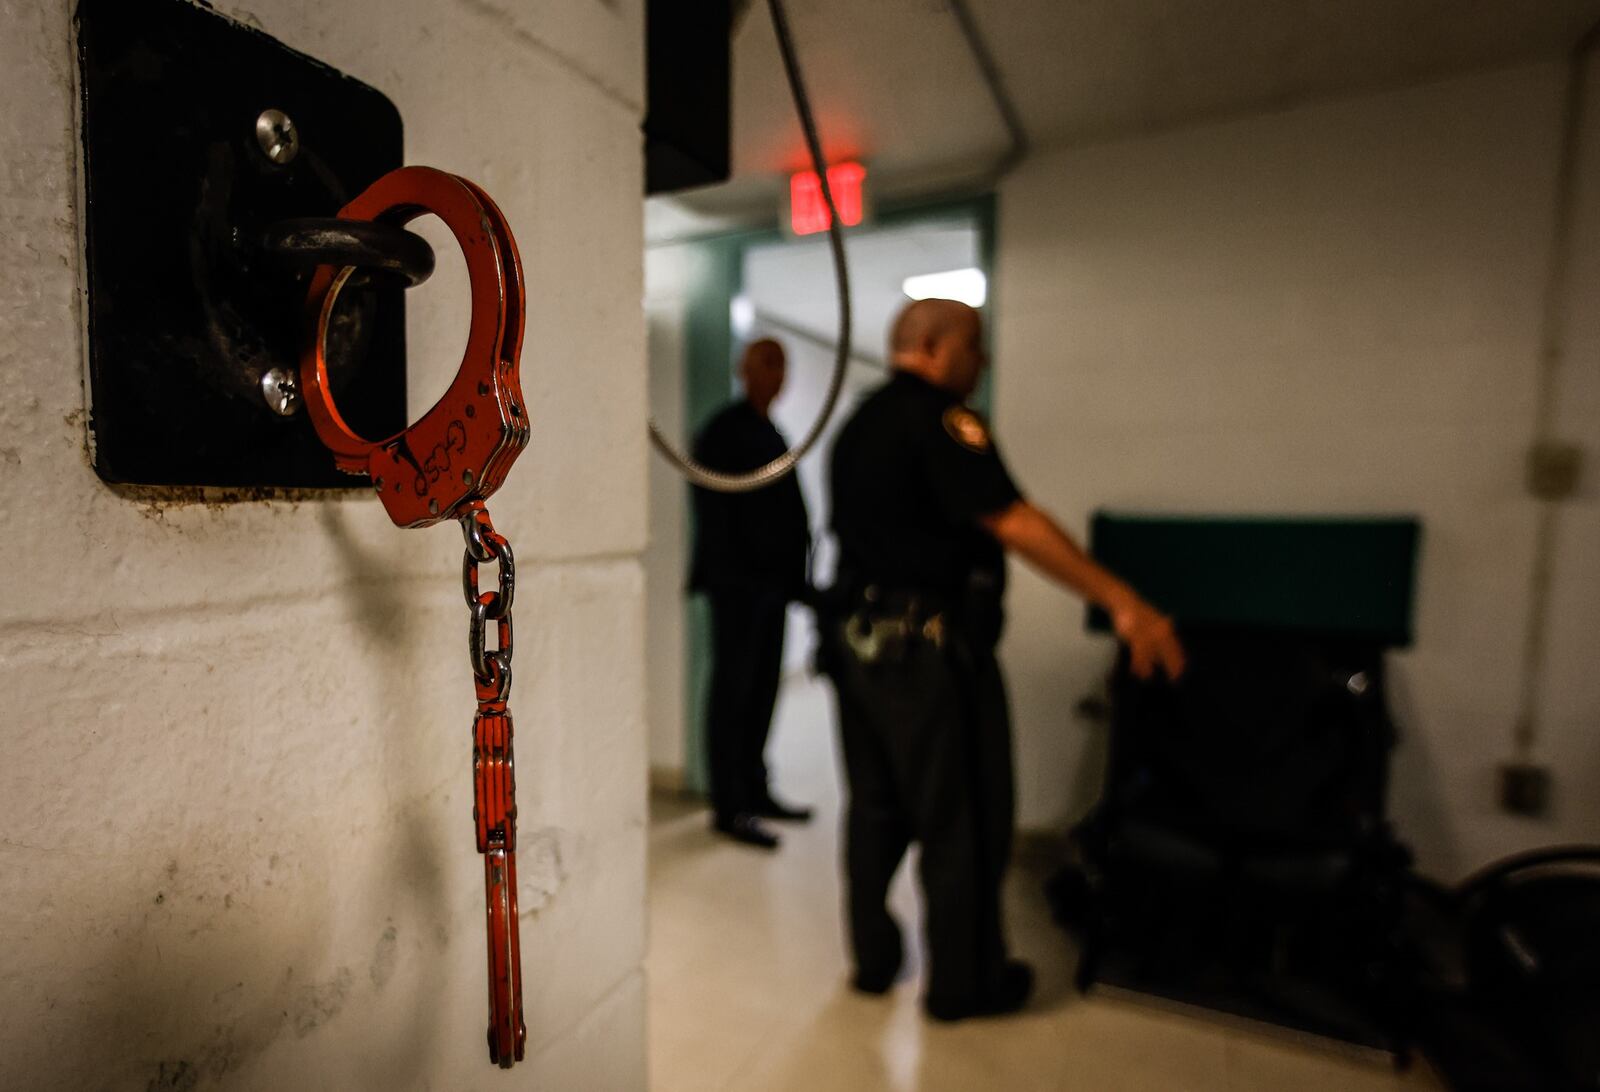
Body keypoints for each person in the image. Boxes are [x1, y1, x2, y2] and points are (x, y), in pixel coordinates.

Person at [822, 298, 1185, 1021]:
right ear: (930, 345)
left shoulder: (857, 424)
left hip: (858, 648)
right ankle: (966, 985)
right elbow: (1012, 518)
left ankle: (874, 963)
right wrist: (1127, 604)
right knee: (966, 817)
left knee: (875, 809)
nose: (982, 363)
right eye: (974, 348)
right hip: (926, 653)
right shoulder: (943, 420)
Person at [689, 338, 815, 850]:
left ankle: (755, 790)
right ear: (745, 368)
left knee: (762, 690)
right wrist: (747, 573)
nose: (777, 374)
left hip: (771, 589)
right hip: (740, 588)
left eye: (783, 364)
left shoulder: (769, 431)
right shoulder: (724, 431)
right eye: (768, 362)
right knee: (734, 693)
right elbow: (722, 514)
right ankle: (730, 805)